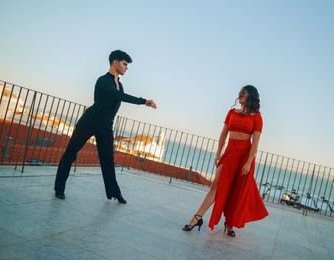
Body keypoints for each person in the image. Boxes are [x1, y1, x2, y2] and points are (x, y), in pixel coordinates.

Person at [54, 50, 157, 203]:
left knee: (108, 160)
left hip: (106, 126)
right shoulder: (103, 80)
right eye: (124, 64)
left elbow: (118, 98)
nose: (126, 67)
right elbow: (119, 97)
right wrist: (144, 101)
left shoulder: (120, 85)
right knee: (71, 152)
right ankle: (59, 188)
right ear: (115, 62)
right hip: (90, 120)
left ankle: (114, 192)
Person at [182, 85, 268, 236]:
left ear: (251, 97)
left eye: (244, 93)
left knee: (237, 191)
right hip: (229, 153)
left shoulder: (257, 117)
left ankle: (230, 224)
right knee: (215, 185)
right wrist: (218, 154)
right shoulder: (231, 112)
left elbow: (255, 143)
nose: (240, 94)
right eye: (240, 92)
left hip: (245, 156)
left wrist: (248, 162)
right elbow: (223, 134)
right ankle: (196, 218)